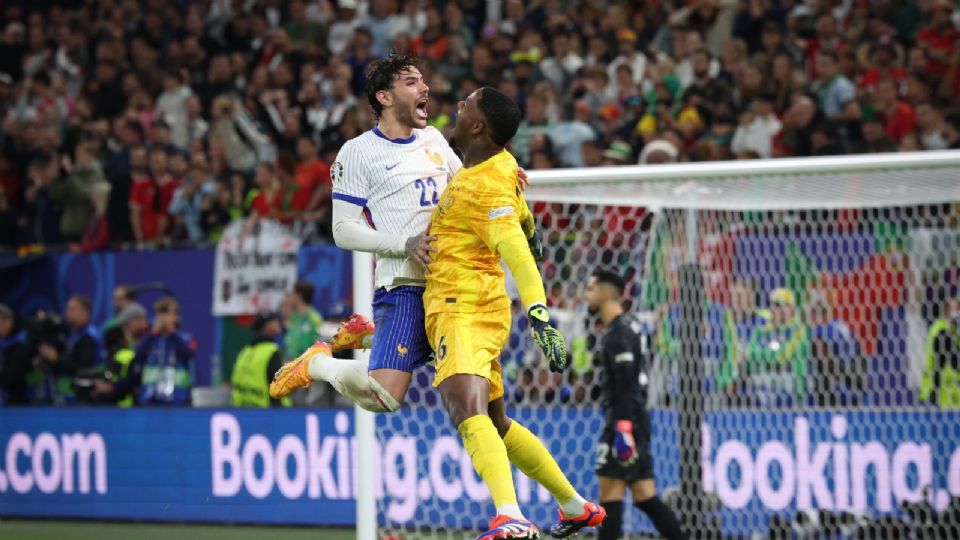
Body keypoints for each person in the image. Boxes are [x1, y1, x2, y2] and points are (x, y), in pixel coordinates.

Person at [424, 87, 604, 538]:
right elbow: (522, 224)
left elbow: (520, 256)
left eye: (465, 107)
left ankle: (511, 517)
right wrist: (528, 221)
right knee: (497, 421)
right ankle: (574, 504)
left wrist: (540, 314)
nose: (457, 109)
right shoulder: (500, 167)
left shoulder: (484, 185)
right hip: (478, 306)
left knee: (466, 411)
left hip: (461, 307)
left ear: (478, 126)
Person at [270, 53, 464, 413]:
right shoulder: (358, 152)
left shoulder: (434, 139)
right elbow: (343, 230)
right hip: (404, 284)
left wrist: (499, 176)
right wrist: (404, 245)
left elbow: (465, 189)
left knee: (470, 366)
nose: (425, 87)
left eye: (423, 81)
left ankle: (372, 333)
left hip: (450, 281)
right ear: (384, 98)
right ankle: (318, 362)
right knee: (385, 397)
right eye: (411, 82)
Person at [584, 270, 687, 540]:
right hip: (634, 419)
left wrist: (622, 428)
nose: (586, 295)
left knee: (609, 493)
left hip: (624, 421)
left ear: (606, 293)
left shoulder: (618, 333)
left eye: (590, 289)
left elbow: (627, 384)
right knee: (644, 495)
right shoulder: (631, 326)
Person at [739, 287, 810, 407]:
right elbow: (746, 359)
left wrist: (755, 354)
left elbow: (783, 356)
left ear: (792, 308)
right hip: (761, 384)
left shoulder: (800, 330)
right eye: (776, 305)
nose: (780, 309)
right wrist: (762, 355)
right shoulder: (761, 330)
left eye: (784, 305)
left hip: (791, 388)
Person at [231, 312, 287, 407]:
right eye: (273, 321)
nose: (278, 323)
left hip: (243, 410)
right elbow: (277, 386)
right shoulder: (271, 350)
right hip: (268, 412)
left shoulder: (245, 351)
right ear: (266, 326)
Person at [920, 289, 960, 408]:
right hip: (941, 398)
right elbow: (954, 363)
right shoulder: (941, 332)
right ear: (947, 309)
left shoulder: (953, 331)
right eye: (957, 307)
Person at [282, 281, 324, 363]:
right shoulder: (293, 318)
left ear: (299, 296)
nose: (291, 298)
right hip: (290, 369)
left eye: (293, 294)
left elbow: (320, 346)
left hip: (307, 369)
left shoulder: (315, 318)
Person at [0, 304, 31, 405]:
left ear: (8, 321)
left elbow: (11, 378)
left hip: (18, 404)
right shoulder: (4, 342)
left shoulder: (21, 344)